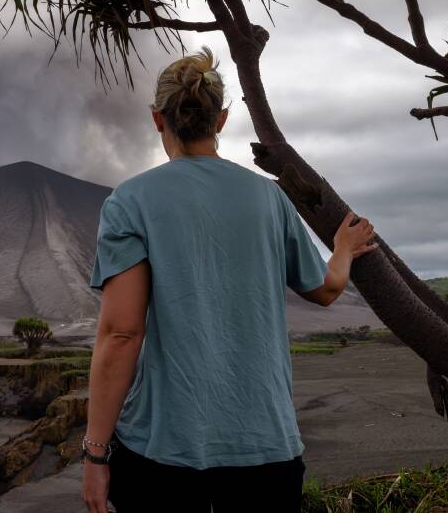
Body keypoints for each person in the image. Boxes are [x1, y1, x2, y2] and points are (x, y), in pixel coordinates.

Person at [81, 48, 377, 513]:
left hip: (162, 454)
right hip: (267, 449)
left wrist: (95, 454)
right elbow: (325, 289)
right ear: (220, 121)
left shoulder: (129, 202)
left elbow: (121, 333)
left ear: (159, 120)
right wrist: (343, 248)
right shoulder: (270, 198)